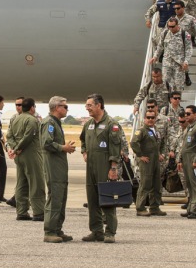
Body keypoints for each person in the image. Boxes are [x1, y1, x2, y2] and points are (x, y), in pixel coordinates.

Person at [80, 94, 124, 244]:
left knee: (107, 199)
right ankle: (96, 231)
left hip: (105, 165)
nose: (87, 108)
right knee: (92, 199)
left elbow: (116, 148)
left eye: (89, 105)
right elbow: (83, 139)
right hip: (91, 166)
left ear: (99, 105)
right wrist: (84, 151)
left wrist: (113, 168)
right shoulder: (88, 124)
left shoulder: (112, 124)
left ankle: (110, 232)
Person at [40, 96, 76, 243]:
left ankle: (57, 229)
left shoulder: (56, 123)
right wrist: (63, 147)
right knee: (55, 198)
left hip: (59, 167)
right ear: (56, 108)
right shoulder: (48, 122)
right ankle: (49, 231)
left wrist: (64, 148)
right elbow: (46, 143)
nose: (67, 109)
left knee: (61, 198)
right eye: (65, 106)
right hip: (53, 167)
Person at [7, 97, 46, 221]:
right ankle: (39, 212)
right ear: (32, 107)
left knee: (21, 183)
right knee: (36, 183)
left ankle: (22, 211)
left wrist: (14, 148)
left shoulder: (15, 119)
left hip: (19, 157)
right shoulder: (32, 120)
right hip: (31, 155)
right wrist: (18, 148)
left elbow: (9, 136)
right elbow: (28, 137)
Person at [131, 110, 166, 217]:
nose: (150, 120)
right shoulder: (142, 130)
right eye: (148, 117)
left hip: (155, 161)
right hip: (146, 161)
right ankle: (140, 207)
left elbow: (162, 143)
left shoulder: (156, 130)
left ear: (155, 119)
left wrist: (161, 154)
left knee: (156, 185)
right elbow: (133, 143)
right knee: (145, 184)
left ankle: (154, 207)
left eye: (152, 117)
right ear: (144, 119)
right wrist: (140, 155)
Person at [177, 105, 196, 219]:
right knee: (189, 185)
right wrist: (180, 160)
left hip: (193, 159)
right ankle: (190, 208)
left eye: (188, 114)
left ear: (195, 114)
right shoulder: (189, 127)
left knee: (195, 186)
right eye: (185, 114)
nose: (186, 116)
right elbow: (184, 145)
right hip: (186, 159)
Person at [150, 17, 192, 92]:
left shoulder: (184, 34)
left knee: (178, 86)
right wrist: (155, 56)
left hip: (179, 64)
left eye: (173, 26)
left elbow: (189, 49)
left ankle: (177, 102)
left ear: (177, 25)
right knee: (165, 84)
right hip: (167, 63)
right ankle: (166, 102)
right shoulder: (165, 33)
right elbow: (160, 46)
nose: (171, 28)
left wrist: (186, 61)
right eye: (169, 26)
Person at [4, 96, 24, 208]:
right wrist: (10, 148)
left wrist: (17, 148)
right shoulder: (13, 118)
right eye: (16, 105)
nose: (18, 107)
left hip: (27, 153)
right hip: (17, 153)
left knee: (30, 179)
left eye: (20, 104)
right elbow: (9, 136)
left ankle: (19, 199)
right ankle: (18, 199)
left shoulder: (33, 118)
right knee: (21, 178)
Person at [145, 99, 171, 176]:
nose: (150, 108)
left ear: (156, 107)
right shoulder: (145, 120)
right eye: (148, 107)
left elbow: (168, 137)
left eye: (152, 106)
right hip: (149, 155)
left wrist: (163, 154)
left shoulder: (165, 120)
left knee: (159, 178)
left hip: (161, 155)